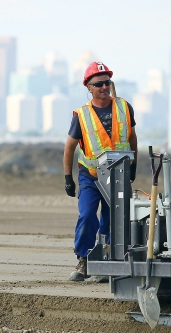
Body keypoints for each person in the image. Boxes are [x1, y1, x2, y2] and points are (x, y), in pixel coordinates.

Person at [63, 61, 138, 282]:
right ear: (89, 88)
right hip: (91, 175)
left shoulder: (124, 107)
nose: (104, 87)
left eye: (107, 83)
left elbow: (132, 138)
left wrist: (133, 167)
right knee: (87, 216)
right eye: (99, 84)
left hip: (118, 175)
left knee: (112, 219)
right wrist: (68, 178)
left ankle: (106, 262)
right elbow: (69, 147)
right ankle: (84, 260)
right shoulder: (82, 115)